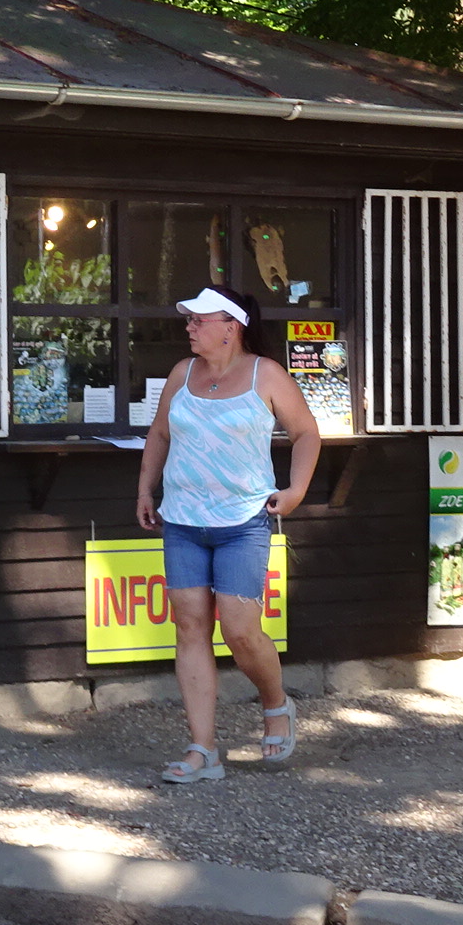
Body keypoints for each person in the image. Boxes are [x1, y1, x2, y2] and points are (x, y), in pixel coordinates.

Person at [133, 286, 321, 783]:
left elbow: (306, 433)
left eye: (200, 319)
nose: (190, 326)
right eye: (189, 319)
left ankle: (276, 703)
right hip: (183, 521)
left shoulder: (268, 375)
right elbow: (159, 433)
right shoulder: (181, 373)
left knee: (239, 630)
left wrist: (297, 489)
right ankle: (203, 750)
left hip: (242, 522)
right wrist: (145, 490)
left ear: (230, 327)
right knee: (190, 627)